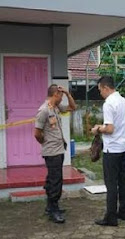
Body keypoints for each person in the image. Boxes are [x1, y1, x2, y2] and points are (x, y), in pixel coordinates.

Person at [91, 76, 125, 227]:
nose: (100, 93)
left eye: (100, 90)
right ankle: (124, 211)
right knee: (124, 180)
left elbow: (109, 128)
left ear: (106, 88)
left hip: (112, 148)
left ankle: (111, 217)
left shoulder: (109, 103)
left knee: (111, 183)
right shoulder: (124, 102)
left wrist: (97, 129)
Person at [34, 84, 76, 223]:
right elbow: (37, 133)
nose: (62, 98)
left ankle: (50, 206)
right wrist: (45, 143)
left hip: (58, 149)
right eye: (61, 96)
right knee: (55, 180)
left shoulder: (56, 108)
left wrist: (68, 94)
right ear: (55, 95)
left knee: (52, 178)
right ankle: (53, 210)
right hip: (51, 151)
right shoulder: (44, 110)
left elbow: (72, 107)